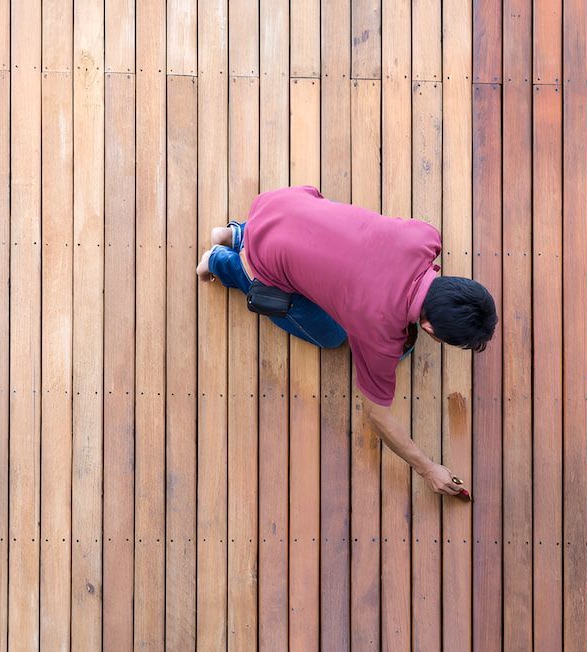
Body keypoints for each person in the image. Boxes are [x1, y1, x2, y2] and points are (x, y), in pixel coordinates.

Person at [196, 185, 497, 497]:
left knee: (303, 246)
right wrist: (427, 467)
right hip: (265, 261)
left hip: (282, 202)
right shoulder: (380, 332)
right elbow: (377, 415)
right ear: (430, 328)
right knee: (331, 335)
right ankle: (221, 261)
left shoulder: (426, 238)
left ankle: (235, 233)